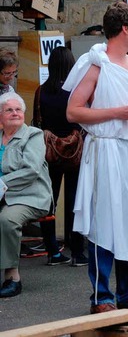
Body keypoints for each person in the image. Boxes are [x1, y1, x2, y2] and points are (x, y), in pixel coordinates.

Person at [64, 1, 128, 314]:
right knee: (105, 219)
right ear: (125, 29)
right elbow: (73, 111)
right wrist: (116, 112)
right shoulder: (97, 63)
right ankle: (101, 297)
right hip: (105, 149)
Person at [33, 46, 87, 267]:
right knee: (75, 200)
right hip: (75, 149)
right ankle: (77, 252)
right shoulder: (76, 91)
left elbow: (37, 121)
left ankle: (53, 251)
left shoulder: (41, 91)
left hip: (50, 150)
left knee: (49, 199)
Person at [0, 93, 53, 298]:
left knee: (6, 220)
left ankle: (12, 277)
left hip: (31, 196)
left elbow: (31, 170)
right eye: (9, 110)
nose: (15, 113)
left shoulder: (33, 135)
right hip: (5, 196)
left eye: (18, 110)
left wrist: (3, 183)